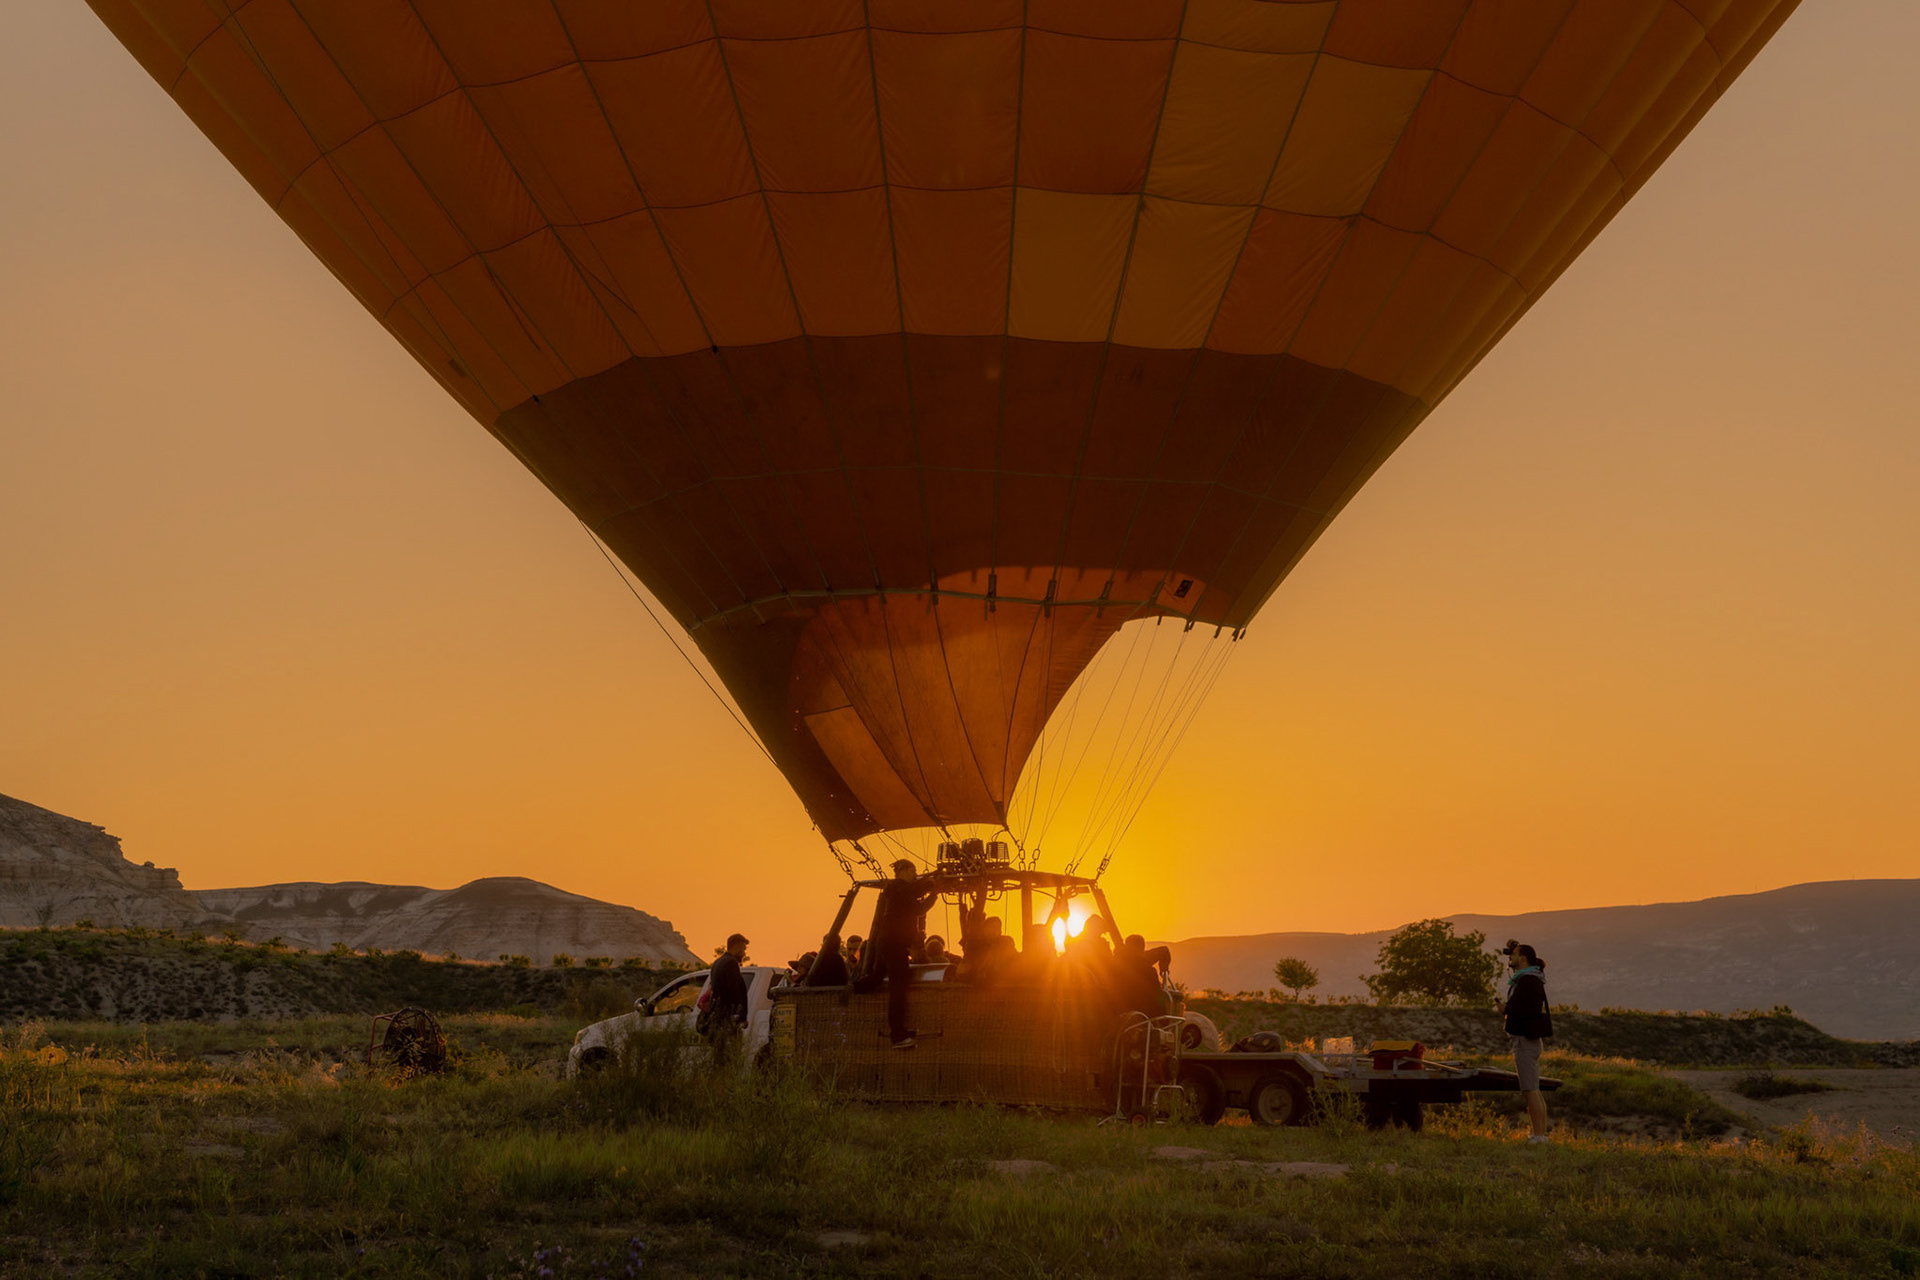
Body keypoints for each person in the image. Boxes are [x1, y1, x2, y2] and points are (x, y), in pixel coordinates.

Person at [854, 859, 942, 1048]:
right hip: (893, 944)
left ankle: (853, 989)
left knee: (877, 976)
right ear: (903, 871)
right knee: (898, 988)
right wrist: (933, 890)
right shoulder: (897, 888)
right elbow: (919, 907)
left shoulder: (898, 890)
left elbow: (914, 896)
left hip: (887, 942)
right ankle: (898, 1035)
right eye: (913, 871)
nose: (914, 874)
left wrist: (929, 886)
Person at [1503, 941, 1554, 1143]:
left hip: (1525, 1040)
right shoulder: (1531, 979)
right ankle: (1540, 1134)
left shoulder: (1528, 981)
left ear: (1523, 958)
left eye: (1514, 954)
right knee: (1534, 1088)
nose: (1510, 958)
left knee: (1530, 1089)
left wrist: (1505, 1010)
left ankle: (1539, 1135)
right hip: (1528, 1040)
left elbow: (1526, 1010)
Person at [706, 932, 750, 1065]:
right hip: (727, 1020)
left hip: (719, 1019)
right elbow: (734, 993)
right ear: (735, 946)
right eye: (743, 949)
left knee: (719, 1059)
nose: (743, 953)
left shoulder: (718, 962)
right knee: (730, 1060)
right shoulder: (731, 963)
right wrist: (740, 1016)